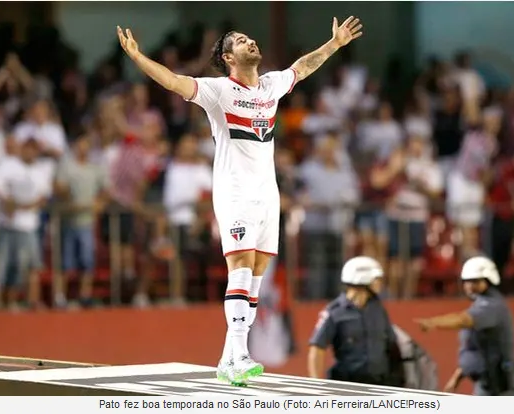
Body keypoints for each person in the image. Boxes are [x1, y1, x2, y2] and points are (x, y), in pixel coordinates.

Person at [117, 16, 363, 385]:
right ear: (228, 57)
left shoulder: (270, 85)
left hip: (268, 194)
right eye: (241, 41)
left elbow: (302, 67)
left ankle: (229, 358)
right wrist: (138, 58)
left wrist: (334, 45)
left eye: (250, 38)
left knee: (257, 278)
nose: (250, 42)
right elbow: (173, 81)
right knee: (241, 268)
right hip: (235, 191)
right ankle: (240, 354)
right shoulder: (218, 91)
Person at [414, 256, 514, 396]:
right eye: (467, 281)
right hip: (488, 382)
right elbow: (475, 349)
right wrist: (456, 379)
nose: (469, 286)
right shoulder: (482, 304)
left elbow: (463, 320)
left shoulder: (491, 306)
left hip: (497, 387)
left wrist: (434, 323)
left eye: (475, 281)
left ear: (489, 280)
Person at [308, 256, 404, 387]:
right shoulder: (334, 312)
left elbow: (391, 343)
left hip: (380, 385)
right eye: (376, 279)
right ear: (362, 278)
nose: (380, 283)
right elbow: (317, 348)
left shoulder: (378, 309)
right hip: (348, 387)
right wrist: (316, 385)